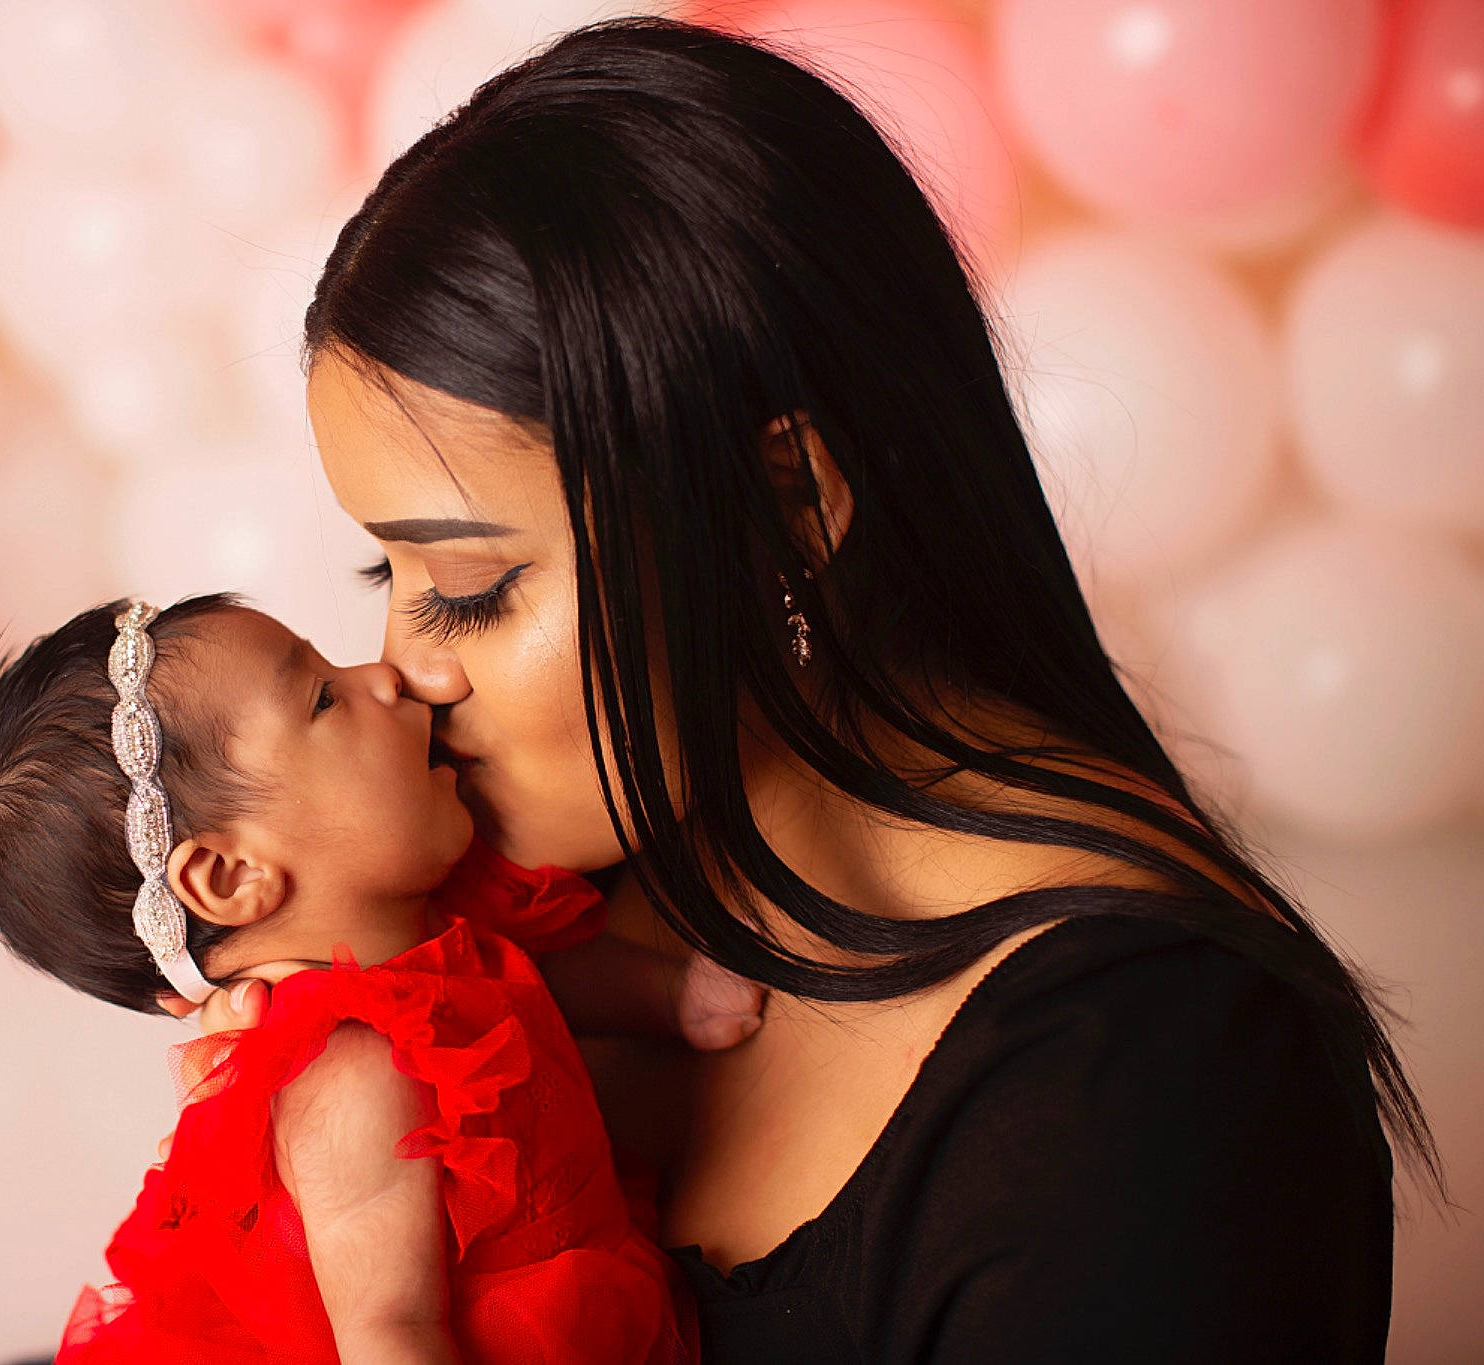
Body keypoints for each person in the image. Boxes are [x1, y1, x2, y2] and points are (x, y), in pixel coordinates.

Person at [167, 17, 1443, 1361]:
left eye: (473, 584)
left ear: (779, 508)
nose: (406, 674)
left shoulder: (1157, 1092)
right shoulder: (547, 901)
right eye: (389, 580)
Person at [0, 594, 746, 1361]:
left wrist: (670, 997)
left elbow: (525, 978)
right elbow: (389, 1331)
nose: (386, 675)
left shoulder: (426, 918)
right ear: (230, 874)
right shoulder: (349, 1067)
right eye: (326, 697)